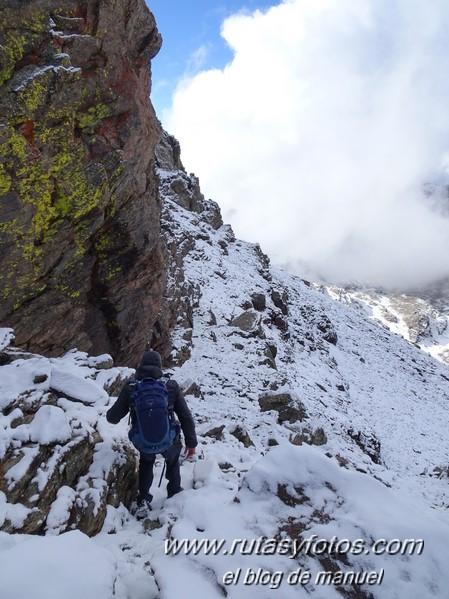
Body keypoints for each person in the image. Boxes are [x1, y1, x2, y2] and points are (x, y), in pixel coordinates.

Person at [106, 350, 197, 517]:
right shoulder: (171, 386)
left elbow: (112, 418)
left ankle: (143, 500)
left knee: (146, 463)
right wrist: (192, 443)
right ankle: (174, 491)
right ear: (159, 367)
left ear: (141, 365)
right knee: (173, 460)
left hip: (143, 440)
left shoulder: (132, 388)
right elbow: (185, 415)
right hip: (169, 439)